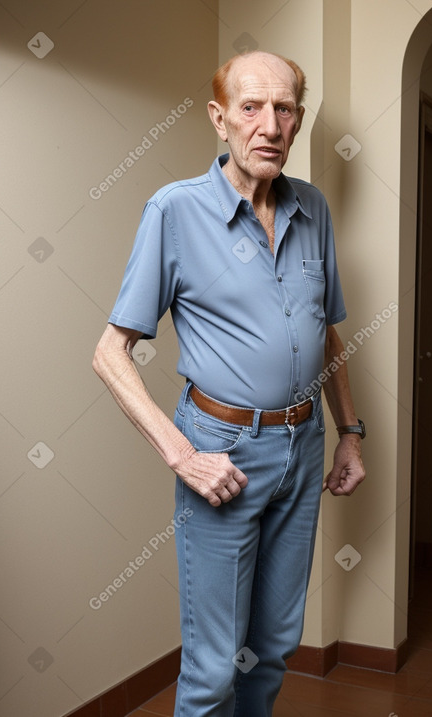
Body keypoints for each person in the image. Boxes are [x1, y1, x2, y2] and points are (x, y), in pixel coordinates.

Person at [93, 50, 365, 717]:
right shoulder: (174, 211)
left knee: (273, 645)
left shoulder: (314, 209)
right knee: (214, 665)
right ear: (220, 119)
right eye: (251, 107)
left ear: (298, 120)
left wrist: (350, 433)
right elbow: (109, 352)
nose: (269, 124)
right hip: (221, 450)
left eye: (285, 108)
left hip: (302, 450)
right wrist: (183, 454)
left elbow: (327, 330)